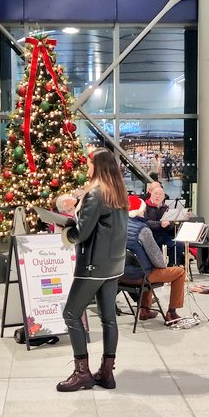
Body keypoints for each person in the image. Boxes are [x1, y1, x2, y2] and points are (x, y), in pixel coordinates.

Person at [57, 149, 127, 392]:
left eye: (89, 163)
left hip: (93, 264)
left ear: (97, 166)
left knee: (71, 314)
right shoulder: (118, 192)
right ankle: (107, 374)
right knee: (109, 318)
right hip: (113, 264)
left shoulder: (96, 193)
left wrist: (64, 229)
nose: (86, 167)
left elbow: (81, 233)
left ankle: (82, 373)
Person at [122, 196, 187, 322]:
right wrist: (163, 265)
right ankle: (172, 313)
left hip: (120, 276)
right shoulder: (143, 230)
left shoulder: (119, 226)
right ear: (140, 210)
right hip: (139, 277)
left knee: (148, 267)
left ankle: (145, 310)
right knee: (179, 272)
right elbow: (157, 259)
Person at [144, 185, 187, 266]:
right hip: (150, 236)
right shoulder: (145, 207)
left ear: (164, 197)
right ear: (151, 195)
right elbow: (145, 222)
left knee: (178, 244)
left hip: (164, 236)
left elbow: (171, 224)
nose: (158, 196)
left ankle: (172, 267)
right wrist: (160, 224)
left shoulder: (166, 208)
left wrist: (171, 223)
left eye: (160, 194)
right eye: (156, 194)